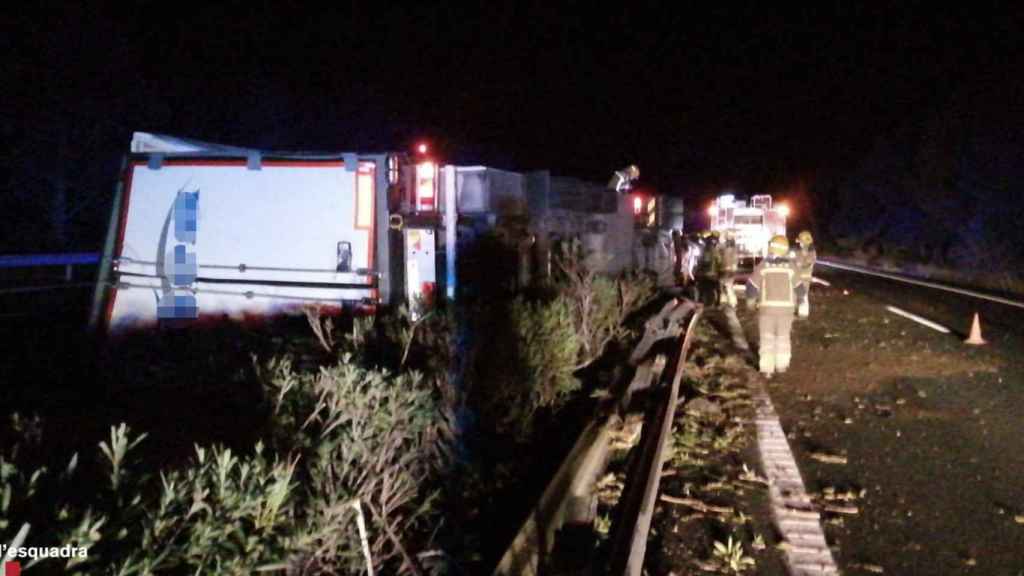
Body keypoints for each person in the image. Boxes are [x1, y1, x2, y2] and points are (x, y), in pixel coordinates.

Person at [746, 235, 797, 377]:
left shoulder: (762, 265)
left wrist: (750, 302)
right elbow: (799, 287)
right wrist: (802, 303)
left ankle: (767, 368)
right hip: (787, 310)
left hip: (766, 310)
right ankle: (782, 365)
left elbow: (751, 286)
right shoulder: (792, 267)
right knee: (783, 336)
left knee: (767, 337)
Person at [793, 230, 817, 318]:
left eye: (800, 241)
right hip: (796, 278)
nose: (799, 243)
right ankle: (795, 311)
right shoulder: (797, 252)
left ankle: (803, 315)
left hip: (805, 279)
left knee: (803, 296)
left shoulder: (812, 253)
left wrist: (799, 264)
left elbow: (807, 264)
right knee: (794, 295)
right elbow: (793, 262)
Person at [717, 230, 739, 307]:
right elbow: (736, 259)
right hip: (731, 270)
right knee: (729, 286)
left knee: (723, 287)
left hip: (724, 269)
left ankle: (724, 302)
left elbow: (718, 257)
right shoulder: (734, 247)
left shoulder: (722, 247)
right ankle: (732, 302)